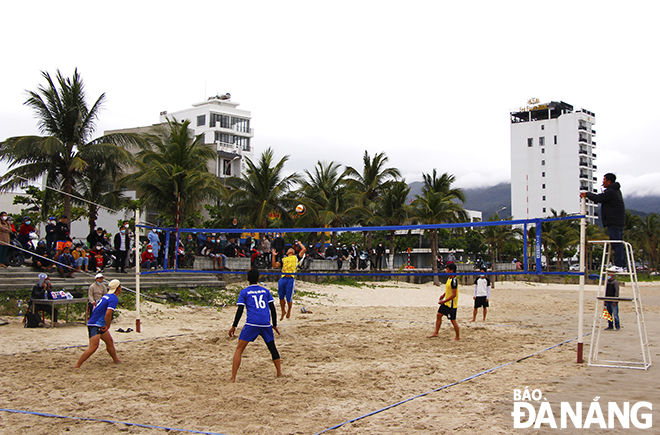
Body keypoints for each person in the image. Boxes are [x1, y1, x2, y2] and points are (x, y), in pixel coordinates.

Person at [228, 268, 281, 382]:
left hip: (252, 323)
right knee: (272, 348)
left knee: (239, 349)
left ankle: (233, 378)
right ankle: (279, 373)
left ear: (247, 279)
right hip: (265, 324)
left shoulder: (244, 292)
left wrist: (234, 326)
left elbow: (240, 310)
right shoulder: (265, 291)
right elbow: (272, 308)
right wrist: (274, 324)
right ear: (258, 279)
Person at [581, 173, 626, 272]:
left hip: (614, 221)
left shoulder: (612, 191)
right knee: (618, 242)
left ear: (609, 182)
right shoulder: (614, 191)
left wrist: (587, 194)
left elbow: (598, 198)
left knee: (616, 242)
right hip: (616, 221)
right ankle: (623, 265)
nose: (603, 182)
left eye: (604, 180)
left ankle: (619, 265)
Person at [75, 279, 123, 368]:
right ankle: (77, 365)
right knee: (93, 347)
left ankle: (116, 359)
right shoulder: (113, 298)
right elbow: (108, 314)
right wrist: (108, 325)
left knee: (109, 342)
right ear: (118, 289)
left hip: (98, 323)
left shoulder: (106, 296)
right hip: (95, 324)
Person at [429, 263, 460, 341]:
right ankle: (436, 332)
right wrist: (443, 295)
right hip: (446, 303)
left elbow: (454, 294)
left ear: (451, 271)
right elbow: (449, 290)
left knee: (453, 320)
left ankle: (457, 337)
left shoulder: (454, 281)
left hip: (451, 305)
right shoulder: (449, 279)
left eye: (447, 269)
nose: (446, 271)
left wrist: (444, 301)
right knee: (439, 315)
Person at [277, 241, 306, 321]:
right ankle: (283, 311)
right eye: (289, 249)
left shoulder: (296, 258)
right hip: (283, 278)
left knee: (289, 298)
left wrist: (300, 243)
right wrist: (273, 256)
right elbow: (274, 265)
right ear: (287, 252)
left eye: (292, 249)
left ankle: (289, 310)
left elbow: (304, 249)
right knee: (281, 297)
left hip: (290, 279)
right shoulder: (284, 259)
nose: (291, 249)